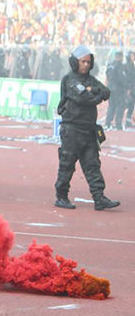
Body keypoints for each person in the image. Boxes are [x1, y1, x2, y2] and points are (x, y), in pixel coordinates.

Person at [54, 45, 120, 211]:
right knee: (67, 164)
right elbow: (86, 99)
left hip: (88, 129)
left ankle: (99, 198)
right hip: (72, 129)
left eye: (88, 62)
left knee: (92, 165)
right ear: (75, 62)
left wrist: (93, 90)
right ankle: (61, 197)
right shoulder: (70, 79)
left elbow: (106, 92)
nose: (85, 65)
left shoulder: (90, 80)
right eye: (82, 61)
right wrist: (95, 94)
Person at [104, 50, 126, 130]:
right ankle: (118, 124)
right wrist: (126, 86)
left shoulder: (110, 65)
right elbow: (121, 78)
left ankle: (108, 122)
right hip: (118, 88)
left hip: (110, 87)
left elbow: (107, 74)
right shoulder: (120, 66)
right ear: (120, 57)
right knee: (120, 105)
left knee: (111, 105)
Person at [124, 50, 135, 127]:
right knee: (129, 104)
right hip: (128, 88)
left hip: (133, 87)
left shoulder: (132, 66)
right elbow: (126, 78)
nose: (133, 57)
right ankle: (126, 121)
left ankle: (128, 121)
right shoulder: (126, 66)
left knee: (131, 104)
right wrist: (128, 89)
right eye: (132, 56)